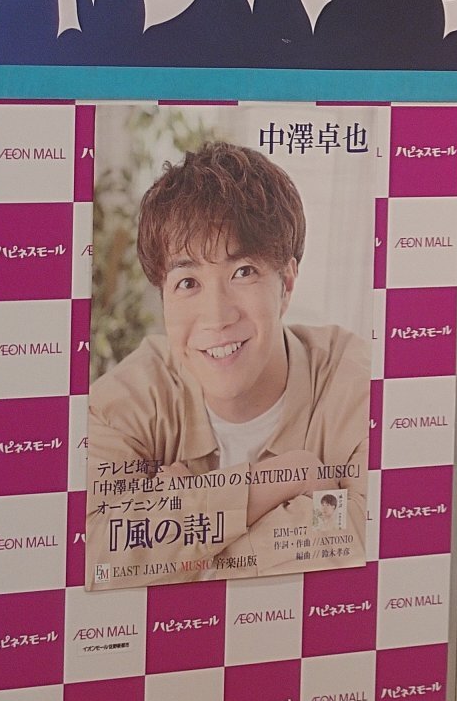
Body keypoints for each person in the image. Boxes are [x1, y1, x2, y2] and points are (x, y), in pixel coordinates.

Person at [85, 142, 369, 590]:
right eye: (187, 282)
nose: (216, 317)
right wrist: (279, 480)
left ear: (286, 283)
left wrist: (180, 529)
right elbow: (88, 554)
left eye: (243, 272)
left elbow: (369, 540)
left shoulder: (361, 388)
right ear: (163, 298)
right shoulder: (124, 402)